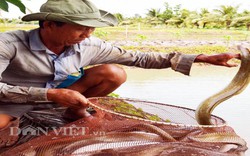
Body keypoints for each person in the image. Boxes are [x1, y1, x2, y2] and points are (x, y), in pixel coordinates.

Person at [0, 0, 240, 146]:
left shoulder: (89, 46)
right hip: (12, 101)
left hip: (67, 96)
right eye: (81, 28)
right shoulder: (9, 43)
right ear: (49, 24)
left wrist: (202, 57)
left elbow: (139, 58)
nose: (88, 34)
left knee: (114, 72)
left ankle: (74, 113)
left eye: (92, 28)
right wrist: (51, 95)